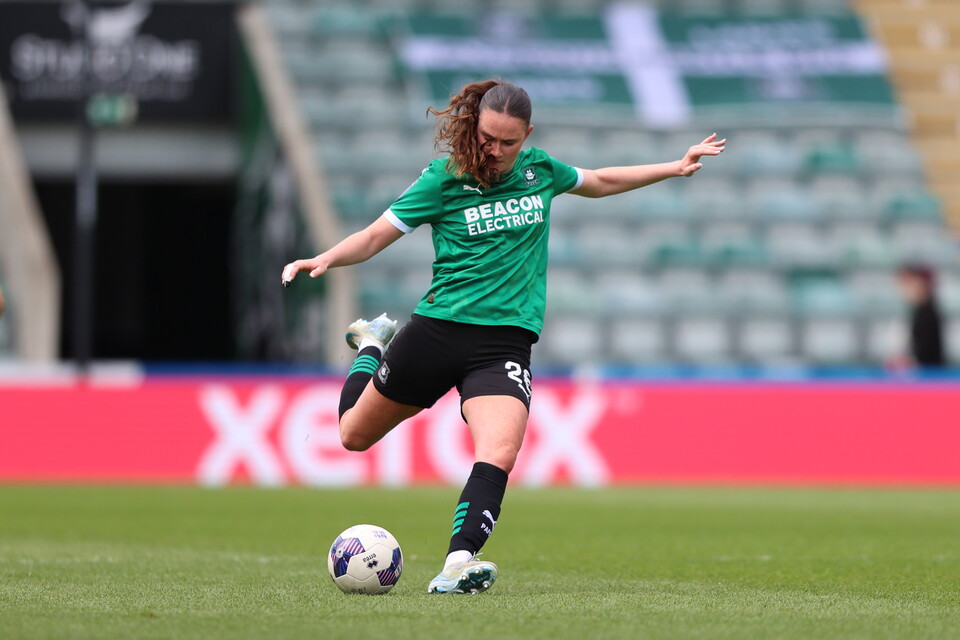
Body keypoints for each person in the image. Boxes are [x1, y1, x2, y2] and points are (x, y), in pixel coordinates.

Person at [282, 80, 725, 594]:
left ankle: (457, 563)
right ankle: (373, 345)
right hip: (438, 332)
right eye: (486, 137)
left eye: (506, 142)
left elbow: (600, 179)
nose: (493, 150)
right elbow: (376, 235)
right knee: (352, 436)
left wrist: (673, 165)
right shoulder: (443, 178)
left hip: (503, 346)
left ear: (527, 136)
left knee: (501, 450)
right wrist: (326, 258)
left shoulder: (541, 171)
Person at [895, 263, 946, 368]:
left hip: (930, 378)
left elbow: (927, 357)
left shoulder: (928, 314)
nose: (903, 290)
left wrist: (907, 363)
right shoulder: (920, 312)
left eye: (907, 283)